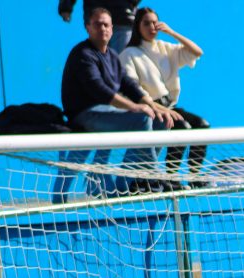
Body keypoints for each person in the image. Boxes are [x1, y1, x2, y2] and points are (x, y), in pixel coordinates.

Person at [56, 7, 176, 199]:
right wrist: (134, 107)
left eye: (106, 25)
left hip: (106, 112)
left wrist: (156, 107)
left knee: (159, 120)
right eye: (97, 24)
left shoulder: (112, 55)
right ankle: (155, 177)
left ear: (112, 29)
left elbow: (129, 85)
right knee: (141, 118)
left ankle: (123, 183)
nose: (102, 28)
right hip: (85, 114)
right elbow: (99, 90)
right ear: (88, 27)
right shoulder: (83, 54)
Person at [120, 7, 208, 185]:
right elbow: (133, 90)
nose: (152, 27)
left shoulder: (164, 48)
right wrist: (158, 108)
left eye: (155, 23)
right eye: (146, 23)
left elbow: (197, 52)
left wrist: (172, 32)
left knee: (202, 125)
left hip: (170, 106)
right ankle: (171, 178)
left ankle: (194, 177)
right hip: (150, 109)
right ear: (138, 26)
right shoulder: (129, 53)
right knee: (182, 127)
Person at [59, 0, 140, 52]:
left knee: (122, 61)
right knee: (100, 61)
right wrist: (65, 7)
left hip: (122, 20)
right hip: (98, 20)